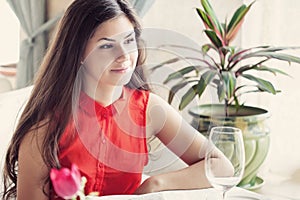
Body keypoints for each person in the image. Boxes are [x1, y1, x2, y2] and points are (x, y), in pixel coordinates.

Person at [2, 0, 233, 199]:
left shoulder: (148, 109)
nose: (124, 56)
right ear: (78, 53)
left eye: (129, 41)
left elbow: (221, 166)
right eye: (107, 46)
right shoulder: (45, 125)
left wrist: (155, 184)